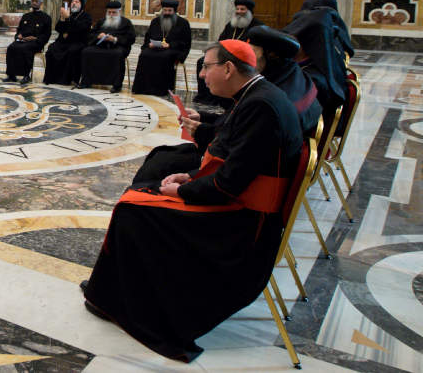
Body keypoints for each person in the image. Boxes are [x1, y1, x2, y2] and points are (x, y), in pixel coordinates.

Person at [83, 40, 303, 362]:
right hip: (240, 206)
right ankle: (115, 293)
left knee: (134, 210)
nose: (201, 75)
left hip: (243, 228)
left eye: (206, 67)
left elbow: (228, 184)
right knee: (141, 195)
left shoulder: (261, 106)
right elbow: (233, 162)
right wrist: (190, 177)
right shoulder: (257, 96)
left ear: (228, 69)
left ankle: (124, 301)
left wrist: (182, 191)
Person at [133, 27, 321, 185]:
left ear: (271, 57)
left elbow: (239, 159)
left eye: (252, 55)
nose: (248, 62)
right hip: (227, 161)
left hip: (240, 180)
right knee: (161, 158)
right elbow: (238, 121)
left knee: (157, 170)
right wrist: (204, 118)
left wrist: (202, 134)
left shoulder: (267, 101)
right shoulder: (272, 84)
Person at [193, 0, 264, 106]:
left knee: (222, 65)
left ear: (249, 11)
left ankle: (224, 98)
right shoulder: (231, 25)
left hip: (241, 58)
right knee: (202, 61)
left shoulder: (257, 26)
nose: (239, 12)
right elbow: (220, 42)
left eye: (242, 9)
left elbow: (256, 49)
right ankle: (207, 97)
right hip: (224, 55)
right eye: (237, 9)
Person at [284, 6, 347, 115]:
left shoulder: (313, 79)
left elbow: (289, 113)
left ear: (308, 46)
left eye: (292, 39)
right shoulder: (309, 65)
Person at [131, 0, 191, 96]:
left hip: (172, 50)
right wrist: (150, 44)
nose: (167, 13)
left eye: (169, 11)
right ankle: (142, 88)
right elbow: (148, 36)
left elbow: (185, 41)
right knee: (144, 54)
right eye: (165, 10)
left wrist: (170, 45)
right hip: (155, 48)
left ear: (175, 11)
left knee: (165, 57)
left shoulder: (183, 23)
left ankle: (162, 89)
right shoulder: (155, 21)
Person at [77, 0, 136, 93]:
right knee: (86, 52)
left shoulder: (126, 23)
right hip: (101, 46)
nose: (111, 14)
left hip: (118, 47)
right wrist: (98, 36)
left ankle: (116, 85)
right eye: (109, 12)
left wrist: (115, 39)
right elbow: (90, 35)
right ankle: (87, 81)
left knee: (117, 54)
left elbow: (130, 38)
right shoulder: (101, 21)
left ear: (119, 12)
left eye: (114, 12)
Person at [43, 0, 93, 85]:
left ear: (81, 5)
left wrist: (69, 17)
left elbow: (81, 27)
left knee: (72, 51)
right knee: (51, 49)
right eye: (72, 1)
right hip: (63, 41)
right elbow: (58, 29)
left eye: (77, 2)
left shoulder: (86, 16)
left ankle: (68, 79)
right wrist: (62, 18)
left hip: (78, 41)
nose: (74, 3)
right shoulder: (67, 14)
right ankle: (52, 78)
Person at [2, 0, 52, 84]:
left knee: (24, 49)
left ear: (41, 3)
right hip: (24, 40)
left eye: (36, 1)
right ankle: (11, 75)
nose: (34, 3)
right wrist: (19, 35)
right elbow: (19, 29)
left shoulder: (46, 18)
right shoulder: (26, 16)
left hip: (36, 42)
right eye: (33, 1)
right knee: (11, 47)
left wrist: (34, 38)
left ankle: (26, 75)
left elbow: (46, 34)